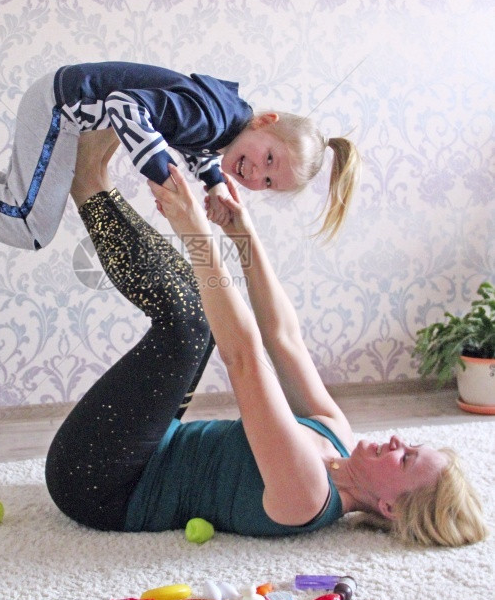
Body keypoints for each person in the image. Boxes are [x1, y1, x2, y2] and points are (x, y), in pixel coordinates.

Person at [45, 132, 486, 548]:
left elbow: (245, 358)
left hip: (101, 484)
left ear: (390, 508)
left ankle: (88, 181)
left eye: (405, 459)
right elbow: (283, 338)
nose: (398, 443)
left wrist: (196, 235)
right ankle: (91, 182)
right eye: (412, 446)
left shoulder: (307, 495)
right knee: (199, 321)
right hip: (151, 442)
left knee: (191, 325)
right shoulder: (336, 437)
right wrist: (242, 234)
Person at [0, 61, 360, 244]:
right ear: (266, 122)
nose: (257, 174)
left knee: (16, 198)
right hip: (60, 107)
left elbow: (191, 137)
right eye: (269, 159)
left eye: (269, 182)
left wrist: (212, 181)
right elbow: (129, 108)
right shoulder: (213, 119)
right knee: (30, 226)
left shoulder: (225, 119)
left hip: (57, 99)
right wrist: (161, 168)